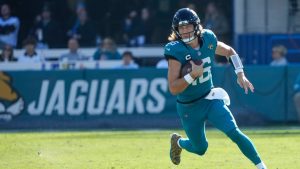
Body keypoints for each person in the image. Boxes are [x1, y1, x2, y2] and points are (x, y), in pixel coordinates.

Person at [165, 8, 267, 169]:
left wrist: (240, 74)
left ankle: (262, 167)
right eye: (181, 27)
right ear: (176, 30)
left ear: (196, 26)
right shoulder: (175, 50)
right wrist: (192, 75)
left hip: (210, 98)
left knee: (234, 132)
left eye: (187, 26)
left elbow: (229, 52)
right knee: (200, 149)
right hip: (189, 106)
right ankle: (178, 142)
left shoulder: (208, 38)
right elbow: (173, 88)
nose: (184, 31)